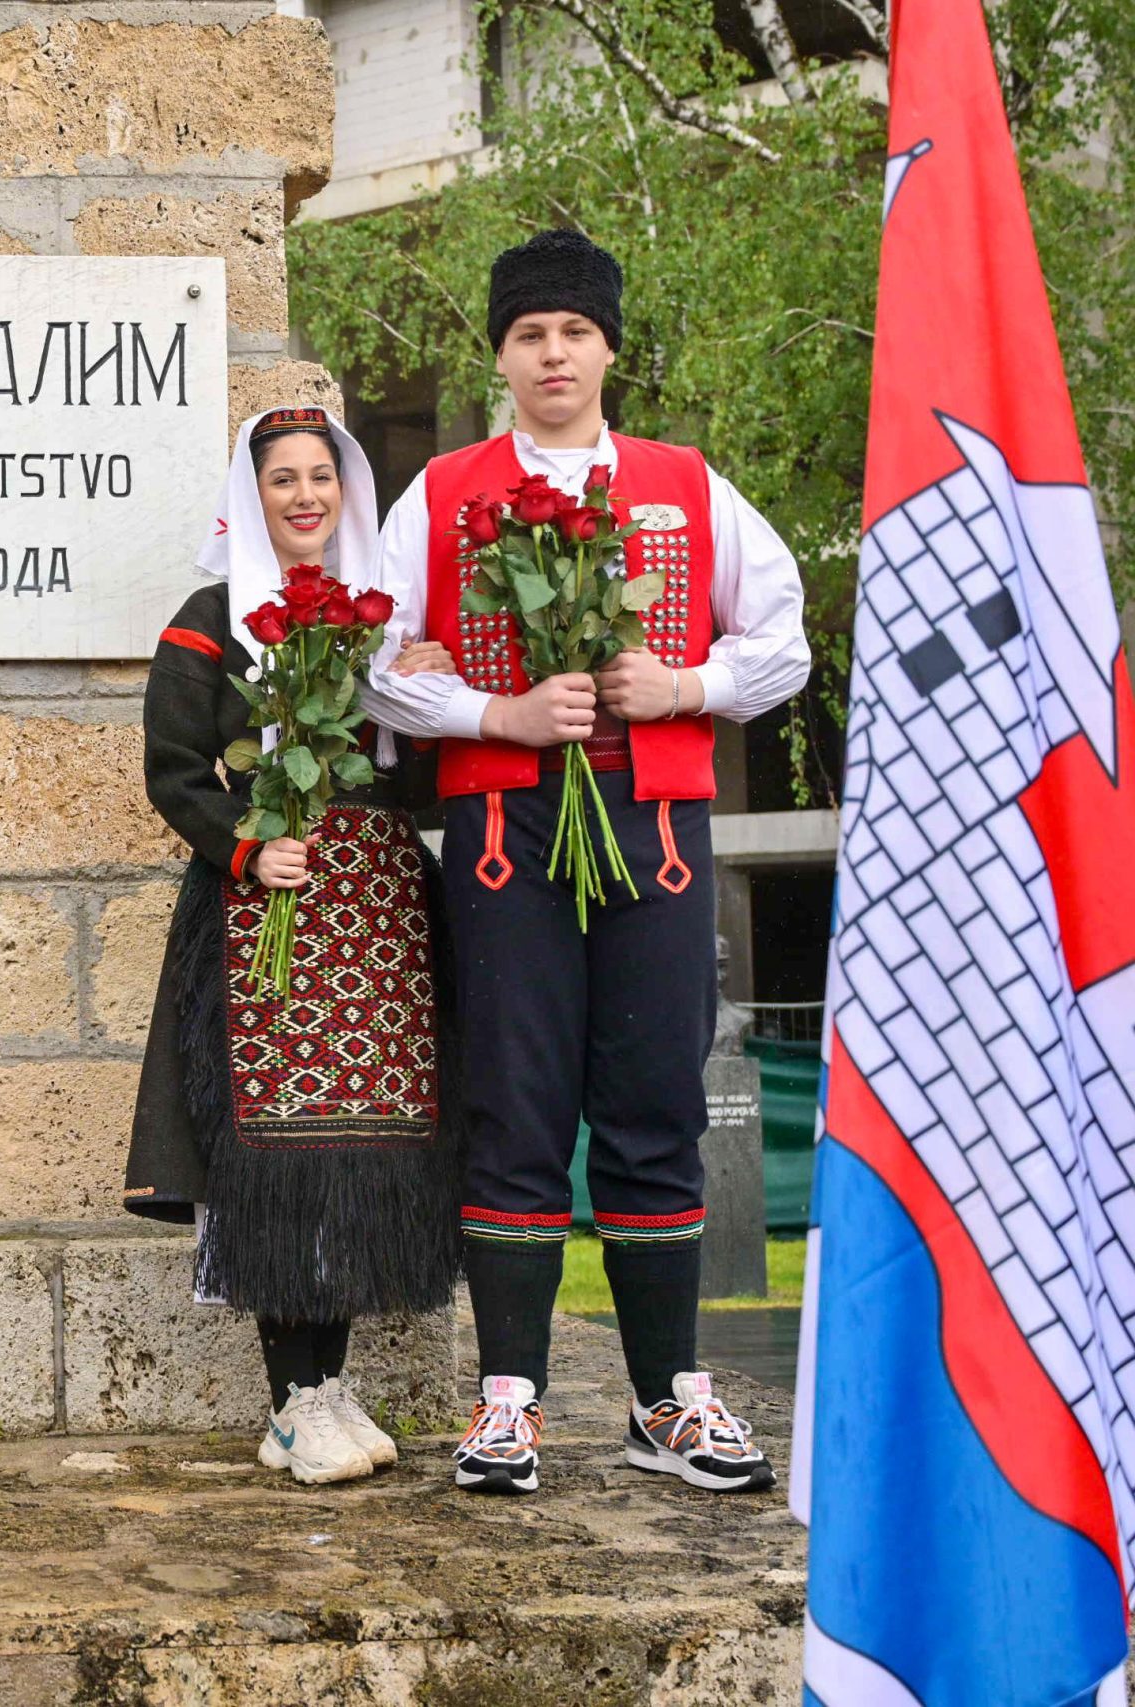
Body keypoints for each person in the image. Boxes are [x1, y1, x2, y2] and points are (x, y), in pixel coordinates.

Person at [361, 229, 810, 1497]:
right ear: (499, 355)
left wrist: (686, 680)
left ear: (607, 344)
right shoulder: (444, 490)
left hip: (655, 822)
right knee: (513, 1098)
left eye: (571, 331)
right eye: (526, 334)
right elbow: (376, 664)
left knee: (656, 1097)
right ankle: (509, 1402)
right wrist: (493, 716)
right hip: (509, 830)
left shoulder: (685, 481)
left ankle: (668, 1399)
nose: (550, 353)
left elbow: (785, 643)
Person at [123, 405, 464, 1484]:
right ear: (252, 496)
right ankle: (292, 1396)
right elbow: (175, 768)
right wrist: (245, 847)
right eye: (283, 480)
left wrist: (425, 684)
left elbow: (409, 776)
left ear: (346, 493)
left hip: (373, 917)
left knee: (358, 1152)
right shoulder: (213, 618)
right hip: (263, 907)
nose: (305, 495)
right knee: (279, 1154)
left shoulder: (381, 620)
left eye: (322, 476)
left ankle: (323, 1389)